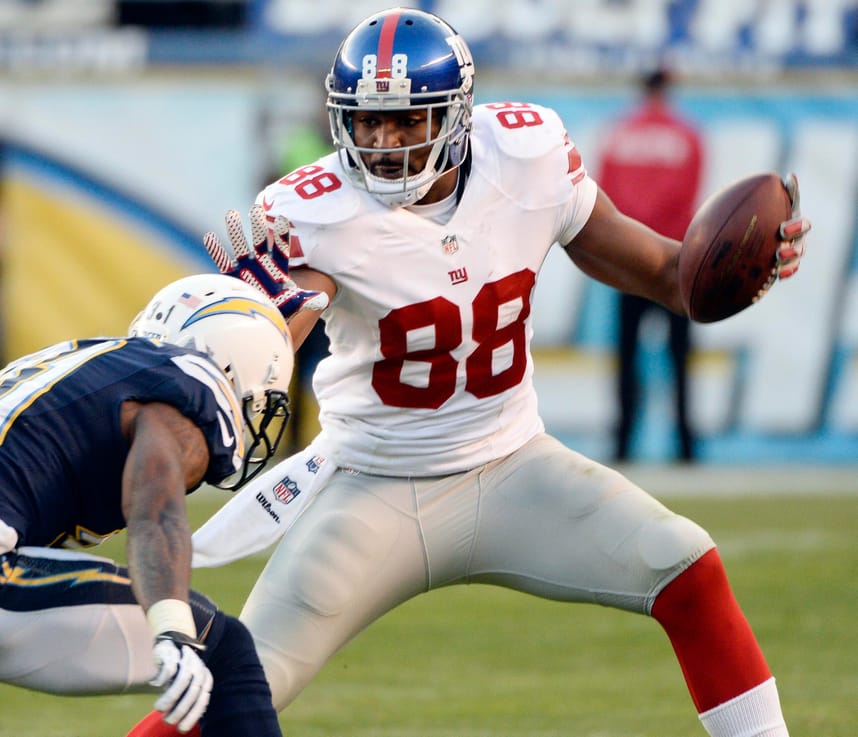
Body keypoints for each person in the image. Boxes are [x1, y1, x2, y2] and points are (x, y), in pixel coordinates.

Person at [129, 7, 810, 737]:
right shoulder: (316, 211)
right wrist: (253, 324)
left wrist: (748, 265)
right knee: (233, 682)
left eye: (404, 121)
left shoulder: (528, 156)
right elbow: (281, 328)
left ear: (455, 116)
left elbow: (671, 278)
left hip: (515, 464)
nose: (383, 143)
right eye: (366, 123)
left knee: (688, 567)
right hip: (374, 486)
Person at [0, 273, 300, 737]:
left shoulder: (83, 360)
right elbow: (154, 511)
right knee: (223, 651)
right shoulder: (190, 388)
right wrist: (172, 626)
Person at [596, 66, 704, 462]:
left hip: (630, 262)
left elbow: (604, 200)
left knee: (626, 360)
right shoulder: (687, 135)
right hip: (677, 262)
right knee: (680, 361)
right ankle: (687, 449)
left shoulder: (619, 134)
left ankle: (623, 446)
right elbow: (690, 201)